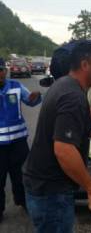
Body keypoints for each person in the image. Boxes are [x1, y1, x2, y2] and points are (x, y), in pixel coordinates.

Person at [22, 41, 91, 233]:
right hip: (51, 192)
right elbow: (64, 150)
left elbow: (61, 122)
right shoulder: (73, 97)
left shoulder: (63, 84)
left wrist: (86, 117)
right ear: (85, 65)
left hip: (41, 185)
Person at [0, 58, 41, 222]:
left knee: (23, 175)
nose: (0, 73)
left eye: (2, 69)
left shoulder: (16, 86)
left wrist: (35, 97)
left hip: (19, 142)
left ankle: (25, 202)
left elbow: (30, 101)